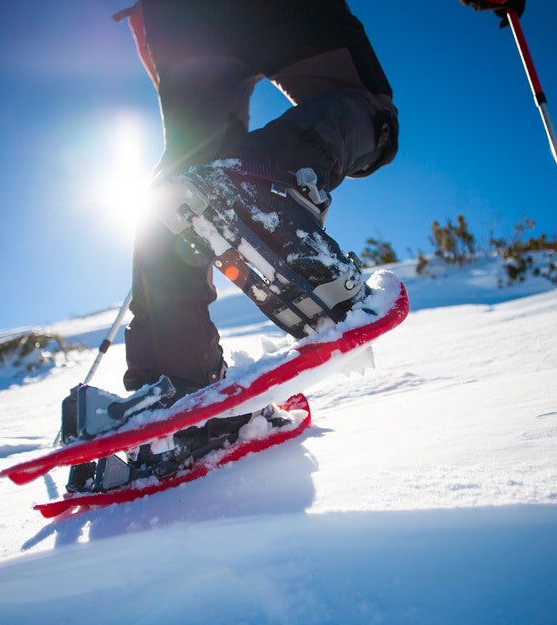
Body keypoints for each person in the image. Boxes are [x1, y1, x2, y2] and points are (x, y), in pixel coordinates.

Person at [112, 0, 399, 400]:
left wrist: (160, 40)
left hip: (177, 18)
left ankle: (172, 381)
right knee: (372, 116)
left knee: (184, 181)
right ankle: (259, 185)